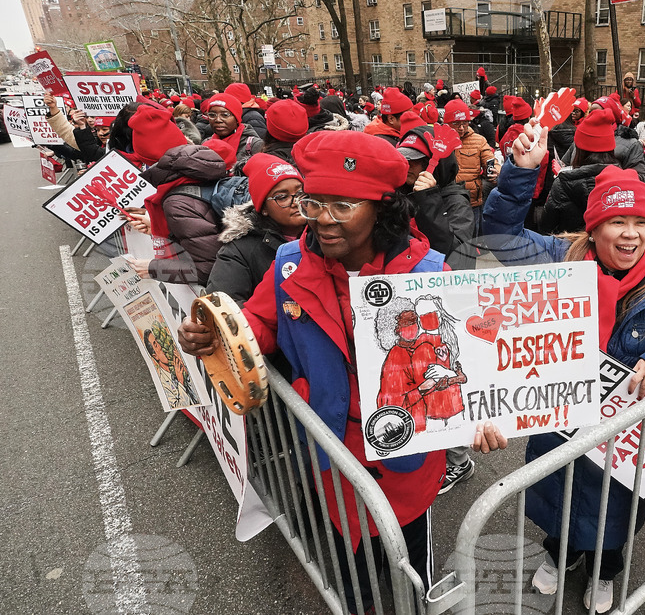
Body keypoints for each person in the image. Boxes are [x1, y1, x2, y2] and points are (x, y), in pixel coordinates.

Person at [177, 131, 507, 615]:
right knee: (346, 569)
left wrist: (481, 416)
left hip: (406, 460)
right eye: (314, 203)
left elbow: (469, 365)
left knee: (410, 570)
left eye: (343, 206)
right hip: (328, 451)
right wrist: (218, 334)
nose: (322, 220)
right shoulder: (290, 265)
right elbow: (261, 324)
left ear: (381, 208)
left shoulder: (430, 275)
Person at [482, 121, 645, 613]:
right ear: (594, 226)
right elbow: (499, 235)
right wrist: (520, 173)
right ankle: (560, 557)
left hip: (626, 435)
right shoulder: (559, 257)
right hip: (561, 423)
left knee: (613, 517)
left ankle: (605, 571)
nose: (631, 234)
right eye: (616, 223)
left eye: (641, 222)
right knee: (558, 501)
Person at [128, 107, 228, 286]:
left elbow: (210, 269)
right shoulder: (205, 167)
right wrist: (159, 227)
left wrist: (152, 268)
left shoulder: (176, 202)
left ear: (149, 162)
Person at [206, 153, 307, 305]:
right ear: (263, 208)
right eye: (282, 197)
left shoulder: (324, 233)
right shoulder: (239, 250)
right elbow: (223, 306)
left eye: (300, 193)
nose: (296, 202)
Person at [396, 123, 476, 254]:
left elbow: (457, 254)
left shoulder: (457, 203)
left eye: (415, 159)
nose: (407, 165)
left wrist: (428, 201)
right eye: (404, 158)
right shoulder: (402, 193)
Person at [537, 109, 619, 234]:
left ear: (579, 150)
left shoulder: (563, 183)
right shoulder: (626, 182)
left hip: (569, 249)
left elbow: (546, 227)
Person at [444, 100, 494, 233]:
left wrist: (496, 171)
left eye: (464, 123)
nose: (461, 128)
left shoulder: (479, 140)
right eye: (456, 124)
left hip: (472, 203)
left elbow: (490, 160)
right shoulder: (438, 140)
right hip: (446, 203)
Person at [204, 93, 263, 165]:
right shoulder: (205, 145)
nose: (218, 120)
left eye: (225, 115)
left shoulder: (254, 145)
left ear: (237, 118)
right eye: (212, 115)